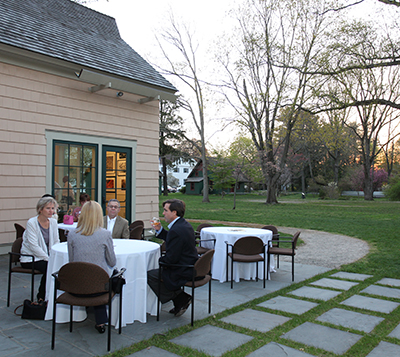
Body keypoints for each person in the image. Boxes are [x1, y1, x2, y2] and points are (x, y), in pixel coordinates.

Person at [67, 201, 116, 334]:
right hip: (99, 287)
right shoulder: (105, 234)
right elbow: (112, 262)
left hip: (77, 286)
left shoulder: (72, 234)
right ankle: (101, 321)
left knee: (90, 276)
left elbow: (72, 262)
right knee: (101, 278)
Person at [147, 199, 198, 317]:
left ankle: (180, 297)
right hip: (190, 263)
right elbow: (173, 239)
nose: (163, 213)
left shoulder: (177, 229)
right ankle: (180, 300)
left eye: (165, 210)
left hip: (183, 268)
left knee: (151, 275)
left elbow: (171, 259)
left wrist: (157, 261)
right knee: (159, 271)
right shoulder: (182, 225)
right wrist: (159, 230)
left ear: (174, 212)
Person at [20, 196, 60, 301]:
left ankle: (55, 295)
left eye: (53, 208)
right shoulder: (32, 223)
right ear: (40, 209)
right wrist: (48, 258)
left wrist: (54, 256)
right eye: (48, 208)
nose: (51, 211)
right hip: (31, 258)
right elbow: (33, 246)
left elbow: (56, 241)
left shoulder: (53, 222)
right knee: (49, 267)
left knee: (61, 266)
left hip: (47, 256)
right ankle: (42, 297)